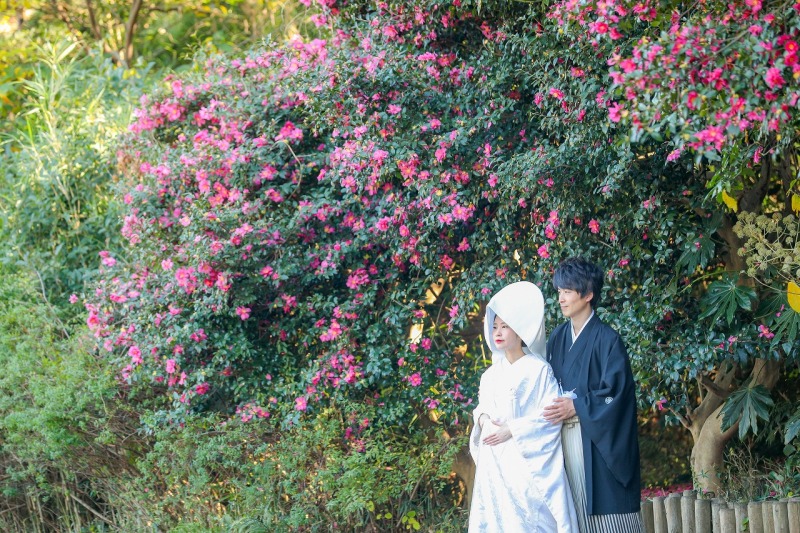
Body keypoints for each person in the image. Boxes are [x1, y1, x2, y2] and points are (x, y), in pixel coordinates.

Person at [542, 257, 644, 533]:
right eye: (559, 292)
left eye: (567, 292)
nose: (561, 299)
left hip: (596, 441)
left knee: (607, 519)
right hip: (563, 440)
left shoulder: (608, 340)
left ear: (588, 295)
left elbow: (618, 394)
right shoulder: (557, 338)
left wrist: (577, 406)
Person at [468, 281, 578, 532]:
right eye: (494, 326)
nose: (498, 332)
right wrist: (484, 420)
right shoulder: (490, 375)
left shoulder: (538, 369)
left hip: (525, 465)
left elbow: (549, 416)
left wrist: (511, 429)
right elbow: (481, 408)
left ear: (519, 331)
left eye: (505, 327)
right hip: (494, 463)